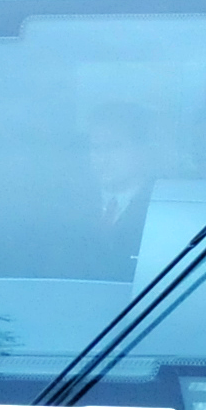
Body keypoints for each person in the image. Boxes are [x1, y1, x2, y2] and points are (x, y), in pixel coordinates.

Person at [83, 104, 158, 281]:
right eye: (96, 147)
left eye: (114, 146)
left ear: (142, 150)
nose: (102, 158)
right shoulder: (70, 207)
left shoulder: (161, 209)